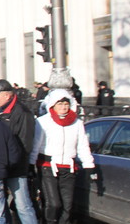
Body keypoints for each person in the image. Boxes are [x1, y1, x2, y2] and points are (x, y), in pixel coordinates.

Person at [30, 90, 96, 224]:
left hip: (69, 167)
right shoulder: (43, 122)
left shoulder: (76, 123)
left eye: (66, 104)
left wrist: (89, 165)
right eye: (60, 104)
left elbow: (82, 145)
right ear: (53, 105)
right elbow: (36, 144)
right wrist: (30, 164)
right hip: (48, 167)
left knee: (67, 205)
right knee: (54, 203)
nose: (63, 107)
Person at [0, 79, 38, 224]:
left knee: (23, 205)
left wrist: (14, 162)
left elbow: (26, 144)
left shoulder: (22, 113)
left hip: (15, 168)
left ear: (7, 95)